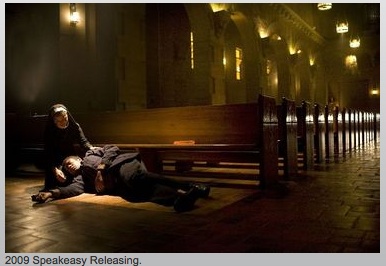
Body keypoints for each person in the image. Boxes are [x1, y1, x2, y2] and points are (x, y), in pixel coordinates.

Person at [32, 145, 211, 213]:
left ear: (77, 158)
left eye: (68, 162)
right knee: (138, 194)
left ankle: (189, 185)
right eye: (66, 167)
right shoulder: (81, 180)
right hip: (119, 184)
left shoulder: (90, 153)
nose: (68, 166)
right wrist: (51, 193)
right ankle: (181, 198)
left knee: (134, 179)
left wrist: (101, 169)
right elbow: (71, 190)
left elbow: (112, 148)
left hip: (123, 165)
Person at [42, 104, 95, 191]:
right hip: (55, 158)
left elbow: (83, 142)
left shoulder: (74, 126)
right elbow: (48, 152)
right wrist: (54, 169)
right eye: (59, 121)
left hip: (70, 154)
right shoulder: (49, 131)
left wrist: (91, 148)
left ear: (67, 115)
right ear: (54, 121)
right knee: (57, 179)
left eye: (64, 119)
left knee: (74, 172)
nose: (63, 122)